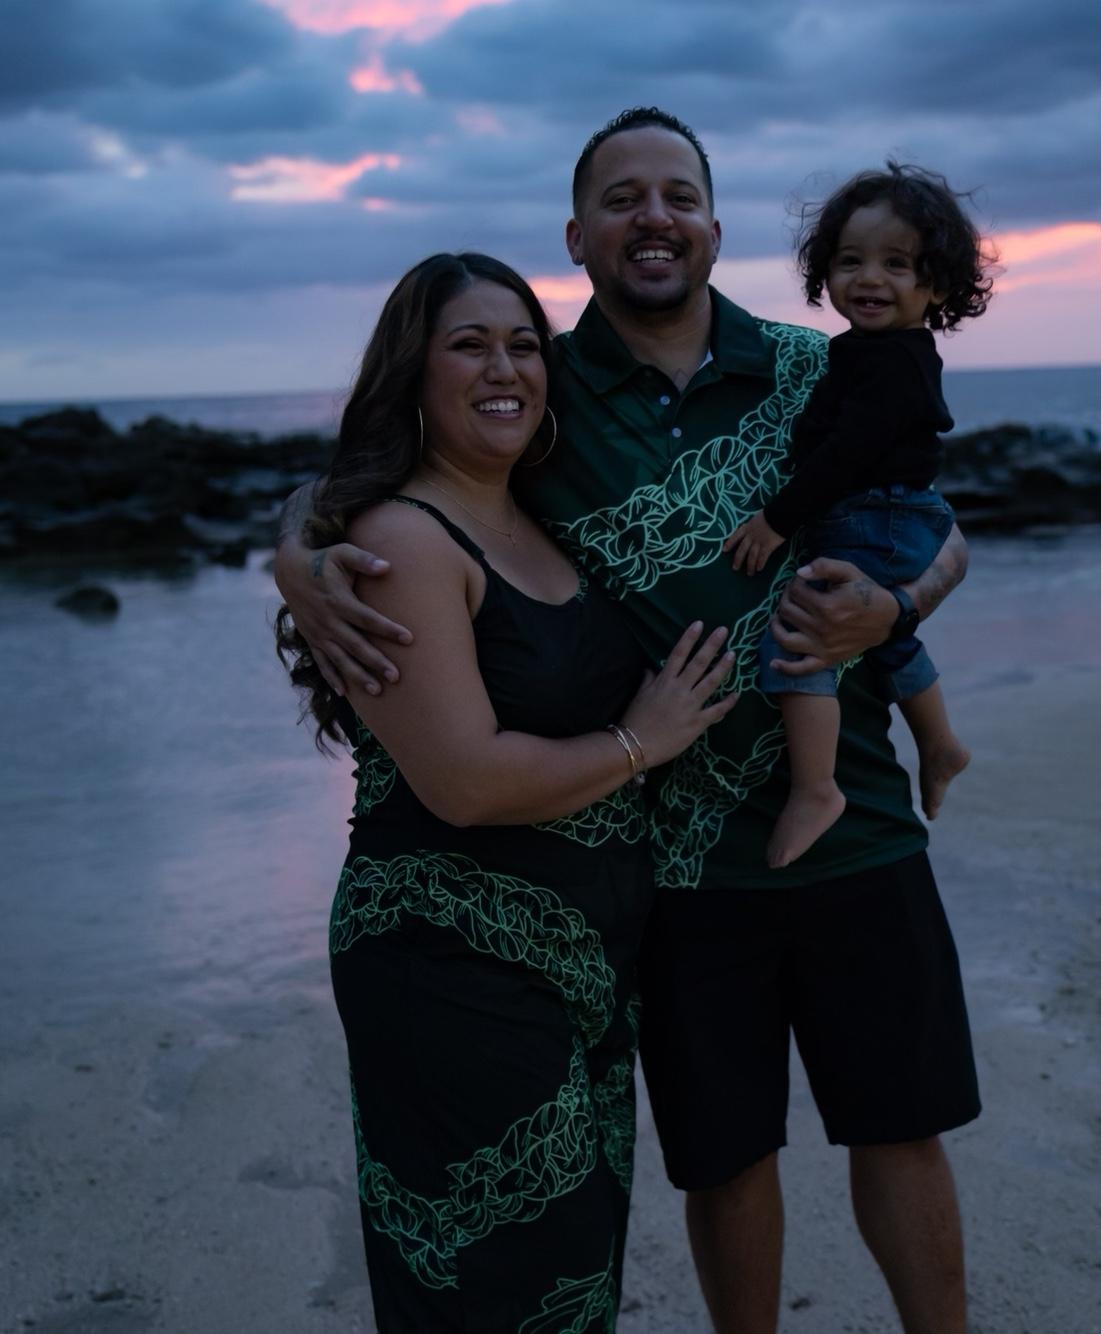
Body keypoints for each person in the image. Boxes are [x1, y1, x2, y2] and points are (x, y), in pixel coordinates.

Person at [277, 109, 980, 1334]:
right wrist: (297, 551)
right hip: (673, 859)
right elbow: (405, 463)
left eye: (677, 196)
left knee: (901, 1123)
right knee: (724, 1155)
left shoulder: (814, 368)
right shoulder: (546, 393)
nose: (653, 217)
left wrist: (898, 603)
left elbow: (939, 526)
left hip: (856, 819)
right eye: (621, 198)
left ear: (712, 225)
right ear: (577, 235)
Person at [274, 250, 737, 1332]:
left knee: (568, 1278)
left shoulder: (540, 513)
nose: (504, 367)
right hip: (452, 968)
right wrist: (642, 738)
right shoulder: (402, 539)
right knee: (491, 1289)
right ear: (413, 371)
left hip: (586, 968)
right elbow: (465, 781)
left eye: (524, 345)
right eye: (469, 344)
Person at [722, 160, 991, 868]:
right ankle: (940, 743)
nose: (870, 278)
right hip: (896, 515)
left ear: (937, 285)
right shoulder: (875, 352)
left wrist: (776, 520)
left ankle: (817, 788)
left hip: (878, 514)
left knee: (800, 635)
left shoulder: (892, 362)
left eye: (897, 264)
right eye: (851, 261)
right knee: (887, 639)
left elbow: (847, 453)